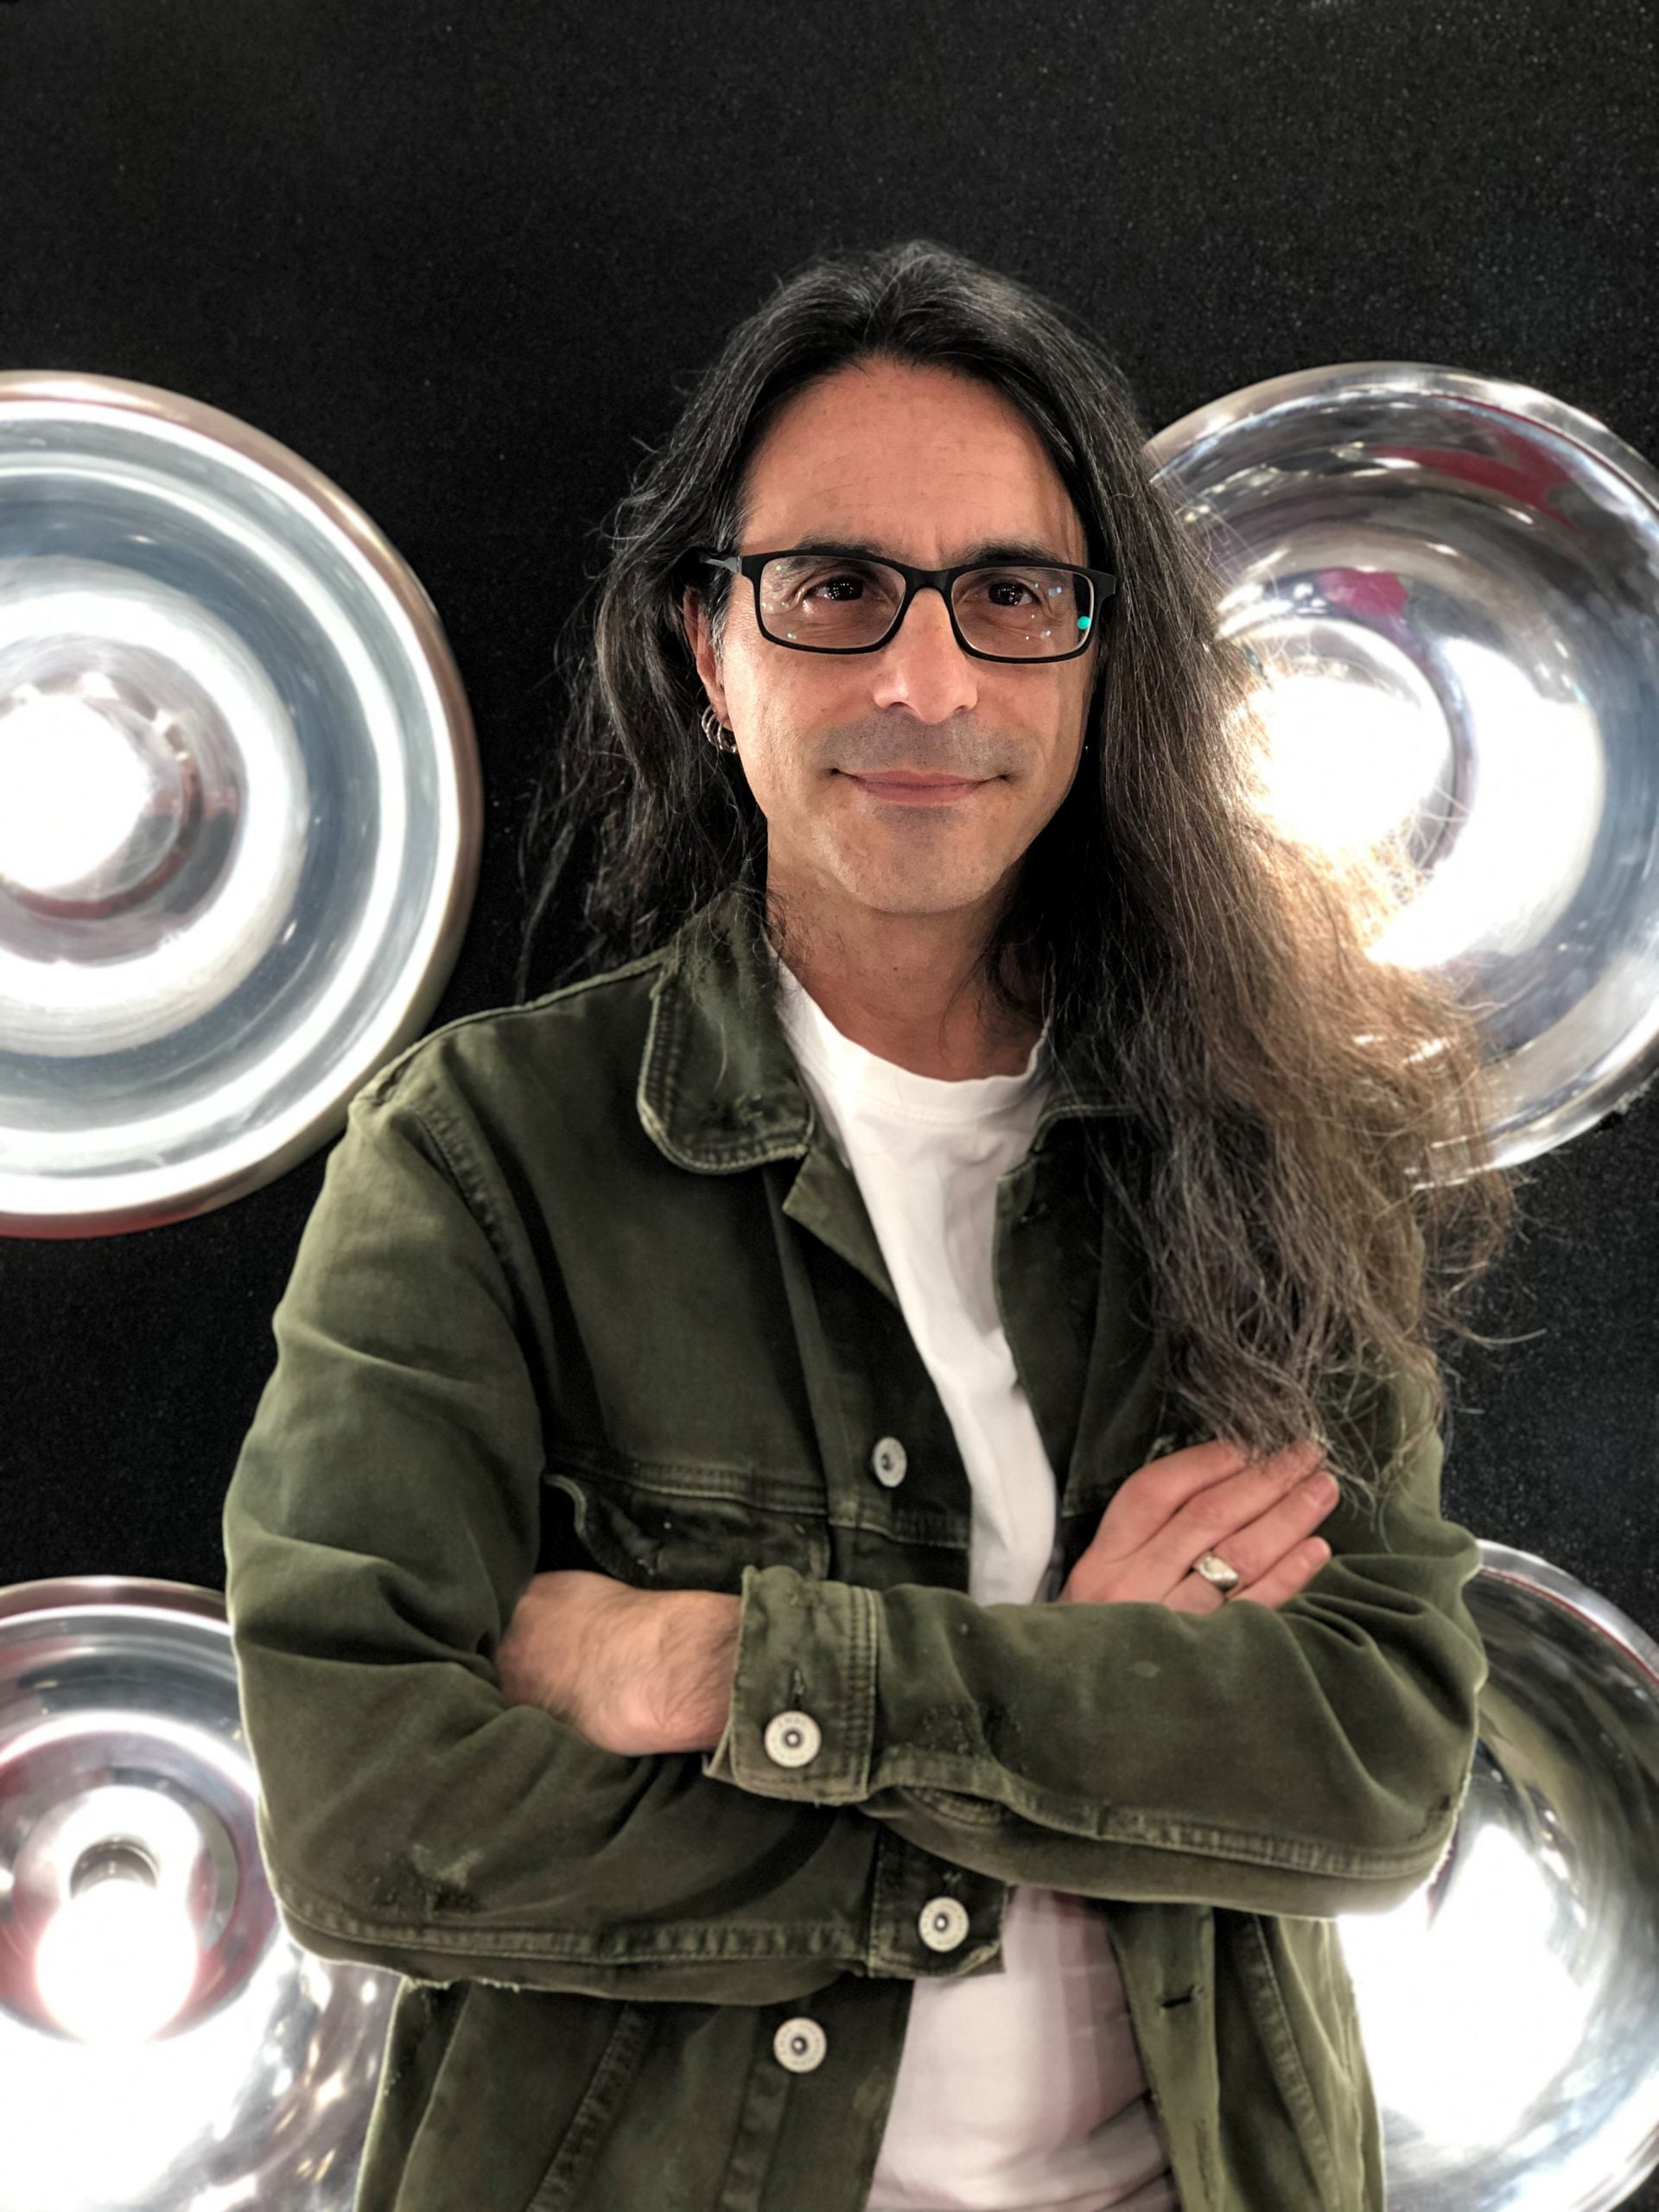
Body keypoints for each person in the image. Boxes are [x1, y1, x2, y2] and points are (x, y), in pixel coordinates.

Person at [222, 238, 1513, 2212]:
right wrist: (1070, 1696)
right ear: (708, 649)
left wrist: (727, 1671)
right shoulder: (485, 1156)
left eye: (1010, 595)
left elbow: (1375, 1758)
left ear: (1099, 651)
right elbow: (367, 1815)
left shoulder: (1270, 1141)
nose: (927, 679)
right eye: (835, 590)